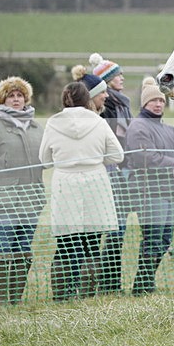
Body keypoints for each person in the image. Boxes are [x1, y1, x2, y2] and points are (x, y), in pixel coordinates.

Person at [39, 81, 124, 301]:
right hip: (95, 181)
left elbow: (44, 160)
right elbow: (117, 155)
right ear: (87, 99)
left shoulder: (53, 123)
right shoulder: (98, 122)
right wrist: (95, 160)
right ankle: (87, 294)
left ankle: (62, 295)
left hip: (65, 182)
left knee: (66, 243)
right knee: (92, 243)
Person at [0, 76, 45, 305]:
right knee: (3, 249)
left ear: (26, 99)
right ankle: (2, 300)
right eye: (11, 96)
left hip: (31, 201)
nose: (16, 100)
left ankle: (15, 298)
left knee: (23, 249)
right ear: (2, 99)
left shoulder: (37, 127)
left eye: (19, 96)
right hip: (3, 201)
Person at [126, 78, 174, 295]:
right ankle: (142, 286)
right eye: (153, 100)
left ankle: (146, 281)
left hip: (169, 192)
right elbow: (147, 158)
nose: (158, 104)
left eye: (161, 101)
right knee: (152, 239)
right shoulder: (138, 127)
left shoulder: (166, 128)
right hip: (149, 192)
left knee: (164, 240)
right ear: (144, 104)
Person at [91, 53, 134, 294]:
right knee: (112, 229)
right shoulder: (106, 107)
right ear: (106, 81)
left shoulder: (123, 102)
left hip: (124, 170)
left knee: (119, 230)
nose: (122, 78)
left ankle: (112, 282)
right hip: (110, 170)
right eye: (117, 75)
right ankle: (107, 283)